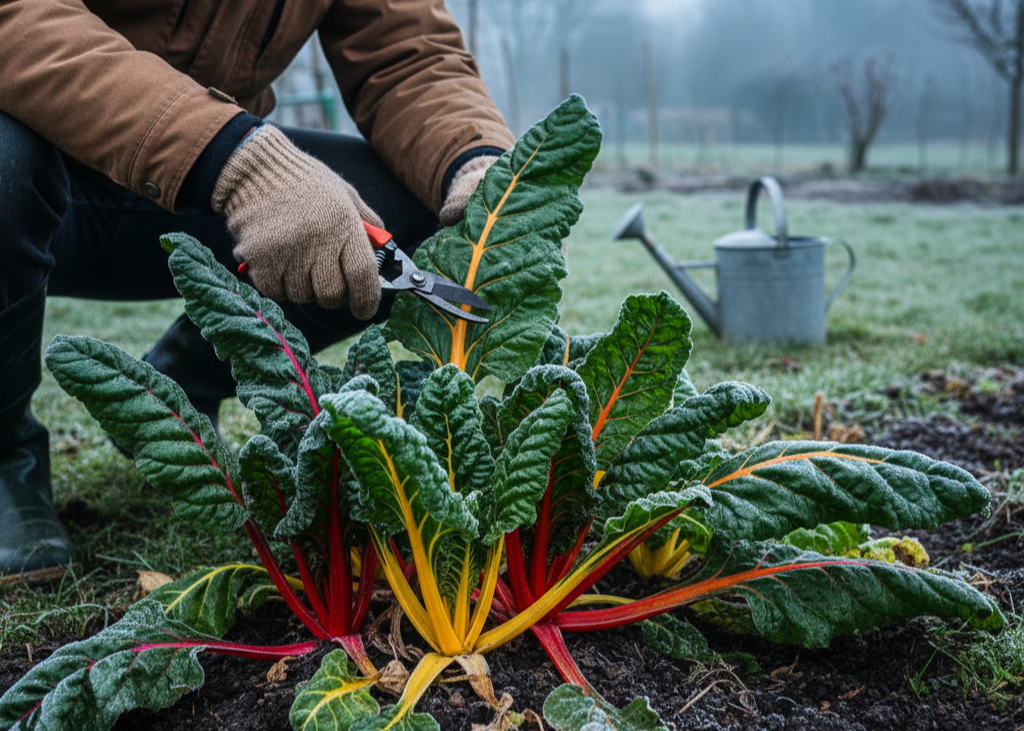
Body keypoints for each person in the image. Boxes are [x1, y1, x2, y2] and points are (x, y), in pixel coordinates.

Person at [0, 1, 516, 578]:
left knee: (414, 208)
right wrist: (233, 157)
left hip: (187, 189)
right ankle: (5, 460)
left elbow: (406, 52)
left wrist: (482, 167)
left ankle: (186, 381)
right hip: (39, 155)